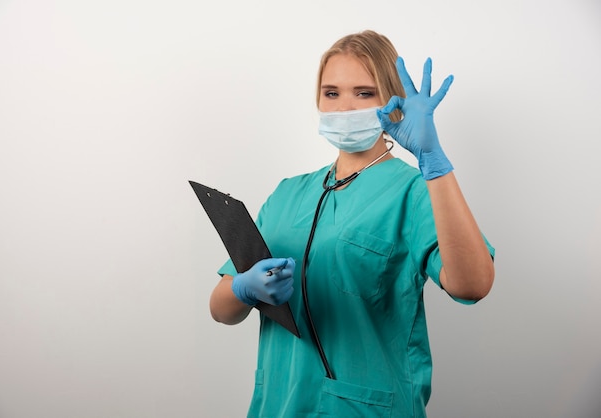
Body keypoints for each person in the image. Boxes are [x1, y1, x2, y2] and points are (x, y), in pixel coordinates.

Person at [209, 29, 495, 417]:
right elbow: (222, 310)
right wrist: (243, 289)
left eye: (364, 93)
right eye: (332, 93)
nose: (344, 107)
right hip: (278, 405)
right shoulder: (286, 194)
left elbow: (474, 284)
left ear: (394, 102)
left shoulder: (415, 192)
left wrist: (433, 160)